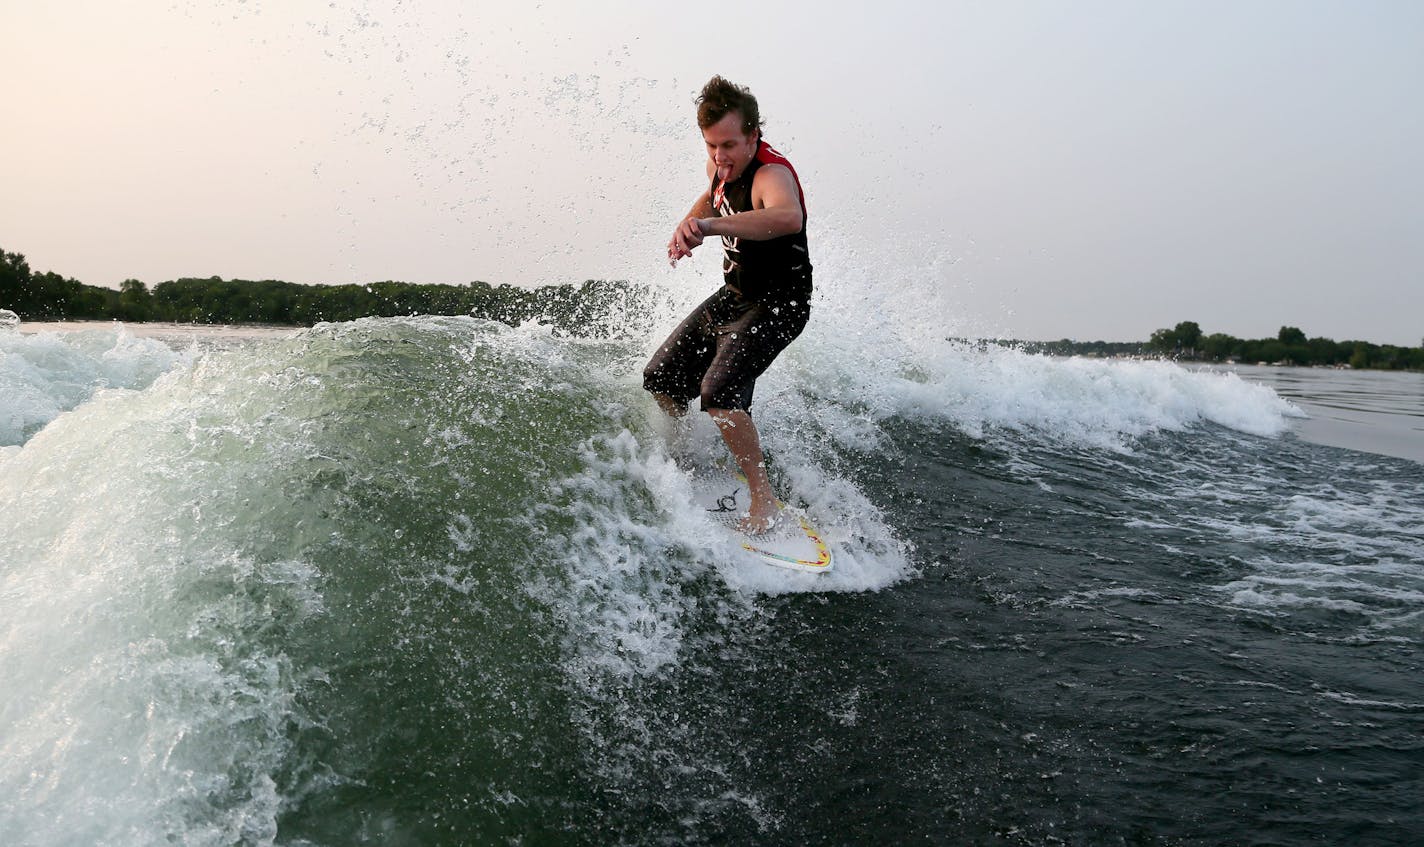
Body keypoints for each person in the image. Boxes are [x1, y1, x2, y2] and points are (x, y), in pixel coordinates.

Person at [643, 75, 812, 534]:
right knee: (661, 377)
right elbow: (710, 200)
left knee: (718, 393)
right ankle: (691, 457)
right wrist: (688, 225)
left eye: (730, 145)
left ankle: (764, 501)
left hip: (780, 302)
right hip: (736, 296)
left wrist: (714, 228)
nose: (720, 157)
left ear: (754, 135)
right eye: (712, 145)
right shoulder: (719, 169)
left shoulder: (769, 175)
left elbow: (786, 216)